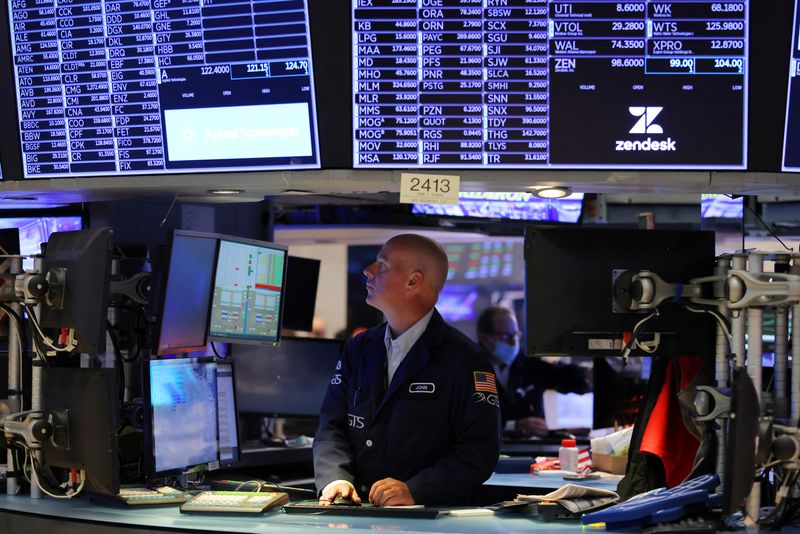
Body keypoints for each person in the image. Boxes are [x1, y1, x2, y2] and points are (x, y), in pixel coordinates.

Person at [313, 234, 501, 506]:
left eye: (382, 265)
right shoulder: (359, 348)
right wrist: (335, 478)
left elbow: (478, 452)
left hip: (429, 516)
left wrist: (417, 490)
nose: (368, 270)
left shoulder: (465, 359)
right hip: (355, 511)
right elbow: (332, 426)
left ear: (413, 281)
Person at [476, 306, 591, 437]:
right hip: (488, 449)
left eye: (515, 334)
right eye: (505, 336)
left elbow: (566, 378)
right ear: (484, 338)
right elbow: (469, 420)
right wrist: (514, 426)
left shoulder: (527, 365)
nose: (513, 342)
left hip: (532, 447)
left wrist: (588, 376)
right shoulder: (470, 369)